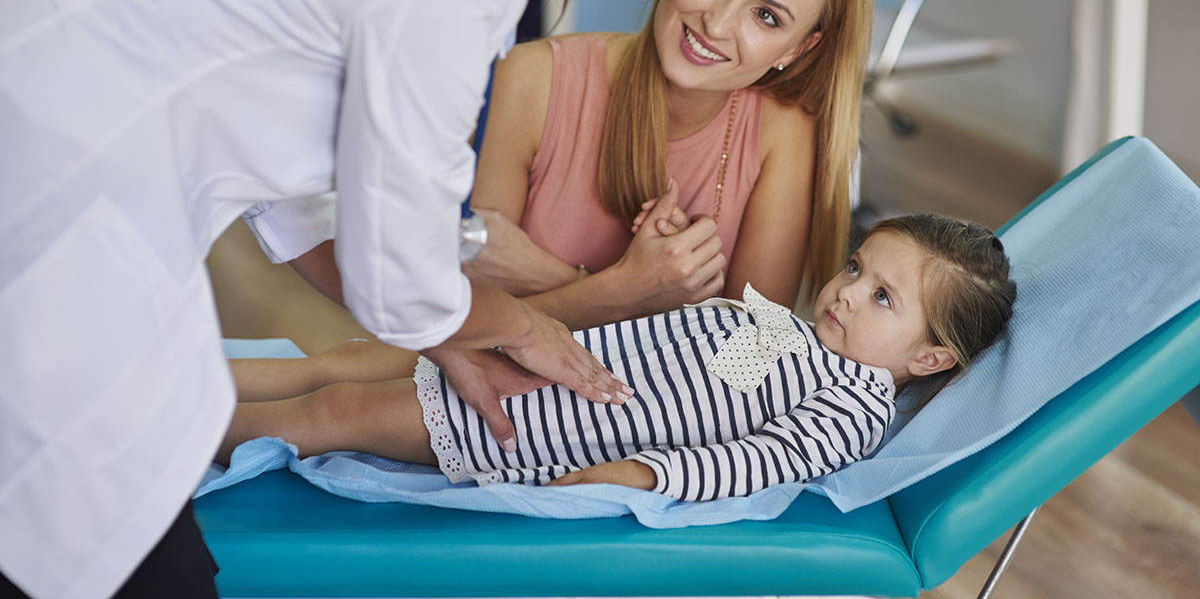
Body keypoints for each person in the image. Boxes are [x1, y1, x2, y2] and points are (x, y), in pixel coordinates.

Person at [0, 0, 730, 597]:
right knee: (113, 497)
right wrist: (519, 319)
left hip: (46, 67)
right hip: (51, 170)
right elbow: (401, 281)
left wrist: (451, 325)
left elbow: (286, 155)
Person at [218, 213, 1017, 499]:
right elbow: (700, 371)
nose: (846, 292)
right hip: (543, 363)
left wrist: (640, 474)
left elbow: (752, 458)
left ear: (932, 358)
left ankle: (179, 431)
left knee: (338, 411)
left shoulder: (852, 406)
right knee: (346, 357)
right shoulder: (804, 342)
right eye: (855, 268)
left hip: (532, 420)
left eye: (883, 298)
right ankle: (175, 390)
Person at [464, 0, 874, 331]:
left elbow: (749, 357)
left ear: (795, 51)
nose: (716, 24)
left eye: (766, 16)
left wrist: (561, 282)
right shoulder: (530, 78)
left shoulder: (784, 131)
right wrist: (634, 292)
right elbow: (465, 320)